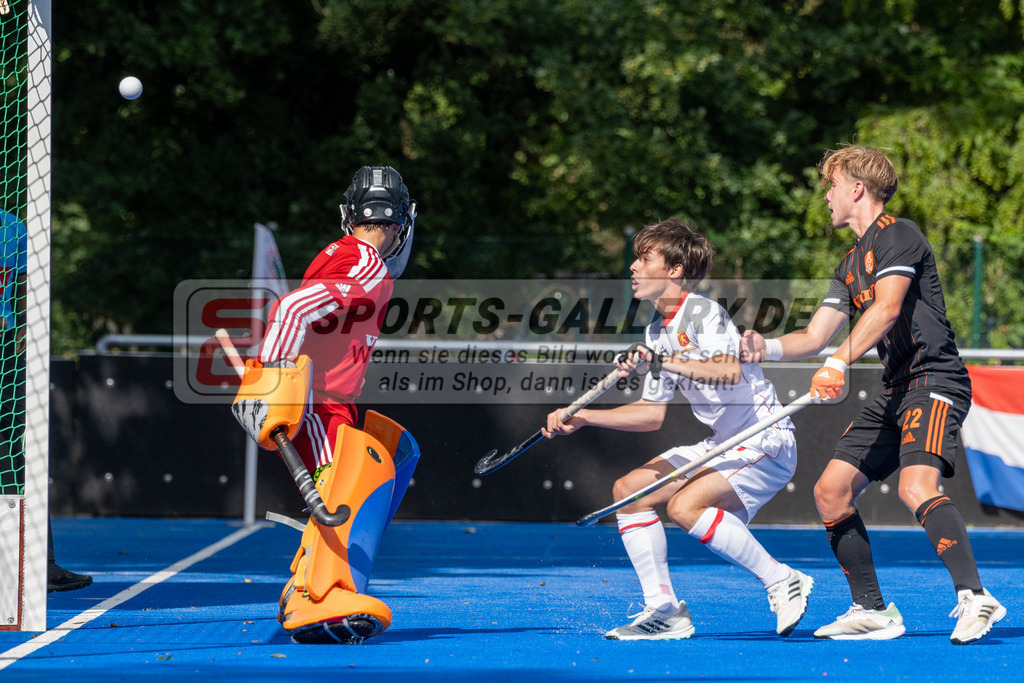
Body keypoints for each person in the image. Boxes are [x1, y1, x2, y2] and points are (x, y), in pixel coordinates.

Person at [739, 144, 1005, 644]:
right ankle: (872, 609)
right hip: (895, 388)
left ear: (856, 188)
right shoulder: (848, 264)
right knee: (830, 492)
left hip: (934, 380)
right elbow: (815, 336)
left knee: (915, 488)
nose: (826, 195)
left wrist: (839, 361)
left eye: (831, 185)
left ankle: (975, 595)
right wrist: (762, 346)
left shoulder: (899, 236)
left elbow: (884, 310)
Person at [542, 218, 812, 640]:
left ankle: (781, 579)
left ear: (673, 271)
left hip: (764, 438)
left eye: (644, 258)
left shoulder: (703, 313)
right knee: (628, 492)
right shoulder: (656, 332)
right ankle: (664, 610)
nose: (632, 267)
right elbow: (651, 414)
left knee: (684, 507)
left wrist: (659, 361)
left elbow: (725, 371)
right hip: (724, 444)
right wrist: (584, 418)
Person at [231, 166, 420, 643]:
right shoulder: (366, 263)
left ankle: (309, 586)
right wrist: (271, 379)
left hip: (326, 398)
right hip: (320, 400)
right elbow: (293, 310)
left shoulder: (341, 253)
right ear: (400, 222)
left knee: (398, 456)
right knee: (343, 495)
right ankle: (324, 595)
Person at [0, 210, 91, 593]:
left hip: (4, 350)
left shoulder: (12, 225)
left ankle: (38, 564)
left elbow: (25, 289)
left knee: (16, 453)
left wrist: (24, 331)